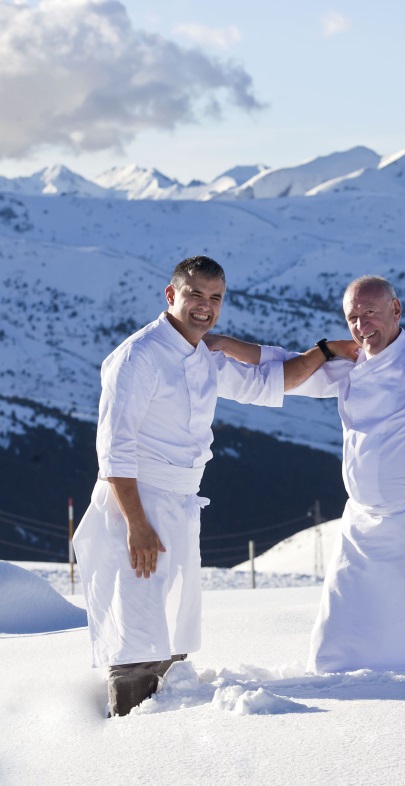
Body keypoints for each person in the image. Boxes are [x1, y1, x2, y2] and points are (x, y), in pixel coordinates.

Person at [73, 255, 356, 716]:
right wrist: (137, 525)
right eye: (195, 294)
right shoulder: (138, 356)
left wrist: (324, 352)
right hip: (135, 505)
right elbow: (114, 450)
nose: (205, 306)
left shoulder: (203, 356)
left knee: (173, 630)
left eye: (215, 297)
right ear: (171, 295)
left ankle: (164, 730)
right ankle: (124, 741)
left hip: (180, 504)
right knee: (137, 634)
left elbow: (274, 381)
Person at [209, 275, 405, 673]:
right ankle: (350, 686)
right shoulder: (351, 365)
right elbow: (283, 365)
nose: (360, 325)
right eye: (352, 317)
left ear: (396, 309)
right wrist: (221, 345)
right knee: (344, 633)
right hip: (363, 525)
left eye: (370, 312)